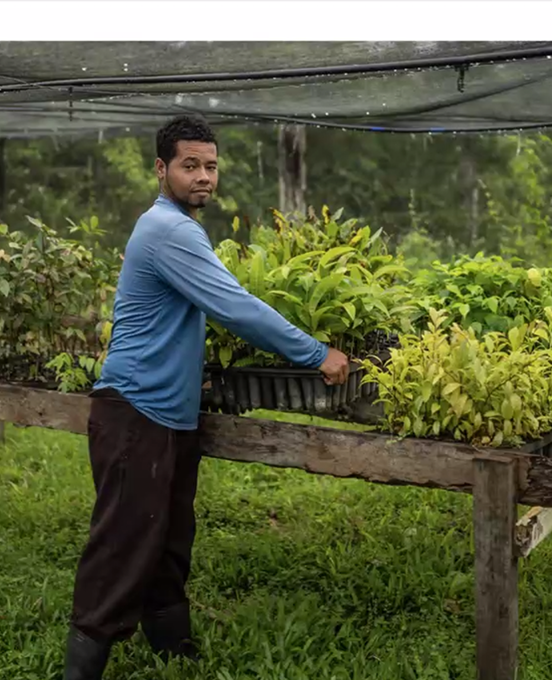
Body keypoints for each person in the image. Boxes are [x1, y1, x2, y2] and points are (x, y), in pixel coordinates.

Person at [63, 114, 350, 679]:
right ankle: (82, 668)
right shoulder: (169, 230)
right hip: (135, 412)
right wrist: (317, 353)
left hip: (168, 415)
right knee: (121, 547)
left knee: (169, 537)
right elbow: (236, 308)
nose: (203, 177)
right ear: (161, 169)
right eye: (190, 165)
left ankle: (174, 650)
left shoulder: (177, 227)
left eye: (211, 166)